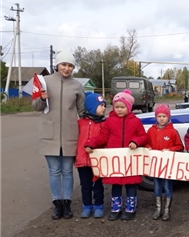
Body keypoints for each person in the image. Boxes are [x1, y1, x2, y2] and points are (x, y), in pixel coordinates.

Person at [32, 50, 85, 220]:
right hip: (50, 133)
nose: (67, 68)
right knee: (54, 171)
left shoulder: (77, 85)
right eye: (64, 64)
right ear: (57, 65)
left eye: (70, 65)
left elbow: (82, 110)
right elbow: (36, 106)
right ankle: (57, 204)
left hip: (70, 133)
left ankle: (67, 203)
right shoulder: (44, 82)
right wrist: (41, 98)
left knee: (68, 171)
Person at [85, 89, 147, 221]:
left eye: (122, 107)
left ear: (129, 107)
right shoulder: (109, 121)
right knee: (116, 185)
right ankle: (116, 208)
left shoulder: (135, 121)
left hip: (130, 160)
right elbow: (103, 137)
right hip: (115, 161)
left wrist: (136, 142)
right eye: (117, 107)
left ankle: (130, 208)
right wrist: (91, 143)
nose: (119, 110)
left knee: (131, 184)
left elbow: (143, 136)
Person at [145, 104, 184, 221]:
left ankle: (167, 210)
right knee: (157, 187)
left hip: (168, 166)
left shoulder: (173, 131)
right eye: (159, 116)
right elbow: (146, 143)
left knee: (167, 187)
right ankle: (158, 209)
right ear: (156, 117)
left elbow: (180, 146)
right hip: (156, 166)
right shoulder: (151, 131)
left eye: (164, 116)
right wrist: (148, 147)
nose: (161, 118)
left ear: (168, 117)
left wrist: (169, 150)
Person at [75, 93, 107, 219]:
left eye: (104, 106)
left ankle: (99, 205)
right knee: (85, 185)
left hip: (97, 160)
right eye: (101, 106)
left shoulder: (104, 123)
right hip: (83, 160)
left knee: (98, 185)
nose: (104, 108)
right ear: (92, 107)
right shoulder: (80, 123)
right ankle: (87, 206)